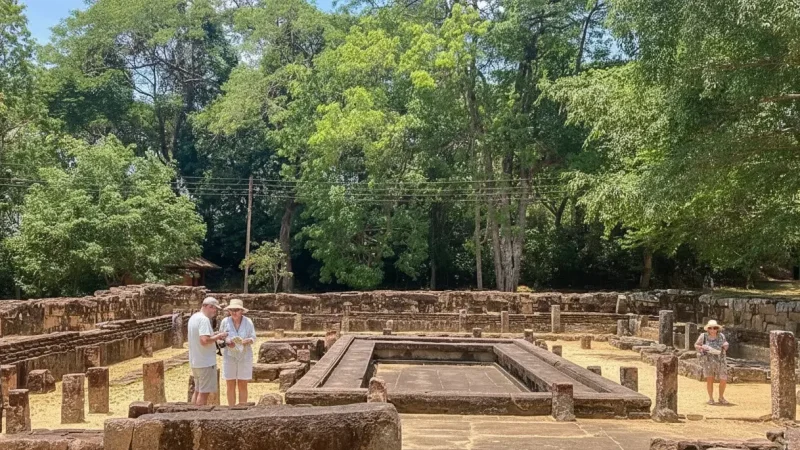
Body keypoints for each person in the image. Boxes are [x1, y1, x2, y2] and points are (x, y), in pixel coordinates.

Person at [188, 297, 228, 406]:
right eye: (214, 309)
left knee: (197, 390)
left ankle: (192, 415)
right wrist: (218, 336)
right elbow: (204, 340)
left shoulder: (194, 317)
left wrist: (214, 336)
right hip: (205, 362)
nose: (215, 312)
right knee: (203, 393)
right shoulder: (204, 320)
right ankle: (199, 418)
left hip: (196, 361)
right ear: (208, 306)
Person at [219, 298, 256, 406]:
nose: (234, 312)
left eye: (237, 310)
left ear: (241, 311)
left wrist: (247, 341)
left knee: (242, 383)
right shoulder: (225, 321)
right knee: (230, 383)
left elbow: (253, 337)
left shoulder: (248, 322)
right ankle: (231, 409)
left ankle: (242, 409)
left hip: (244, 356)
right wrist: (226, 340)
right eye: (232, 310)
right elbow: (220, 337)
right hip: (229, 355)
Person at [694, 319, 730, 405]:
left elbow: (725, 344)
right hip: (708, 360)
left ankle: (721, 397)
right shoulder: (703, 336)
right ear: (708, 329)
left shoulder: (721, 336)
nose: (713, 330)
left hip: (721, 359)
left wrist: (726, 345)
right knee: (710, 379)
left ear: (717, 328)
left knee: (723, 379)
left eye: (714, 328)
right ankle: (711, 398)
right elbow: (696, 345)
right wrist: (702, 348)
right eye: (710, 328)